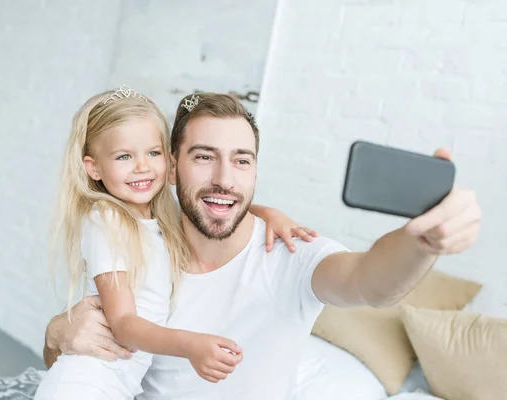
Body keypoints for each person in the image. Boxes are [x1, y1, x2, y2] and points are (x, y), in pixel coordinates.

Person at [42, 92, 481, 399]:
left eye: (241, 160)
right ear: (172, 169)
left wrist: (421, 242)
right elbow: (75, 366)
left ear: (254, 172)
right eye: (204, 156)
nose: (225, 178)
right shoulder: (147, 237)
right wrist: (55, 334)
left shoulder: (290, 252)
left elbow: (369, 283)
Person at [33, 86, 319, 400]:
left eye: (152, 153)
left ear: (169, 164)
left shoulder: (154, 223)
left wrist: (269, 213)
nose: (142, 166)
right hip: (87, 385)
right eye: (124, 156)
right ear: (94, 168)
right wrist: (190, 345)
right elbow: (124, 324)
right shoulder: (107, 221)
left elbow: (215, 203)